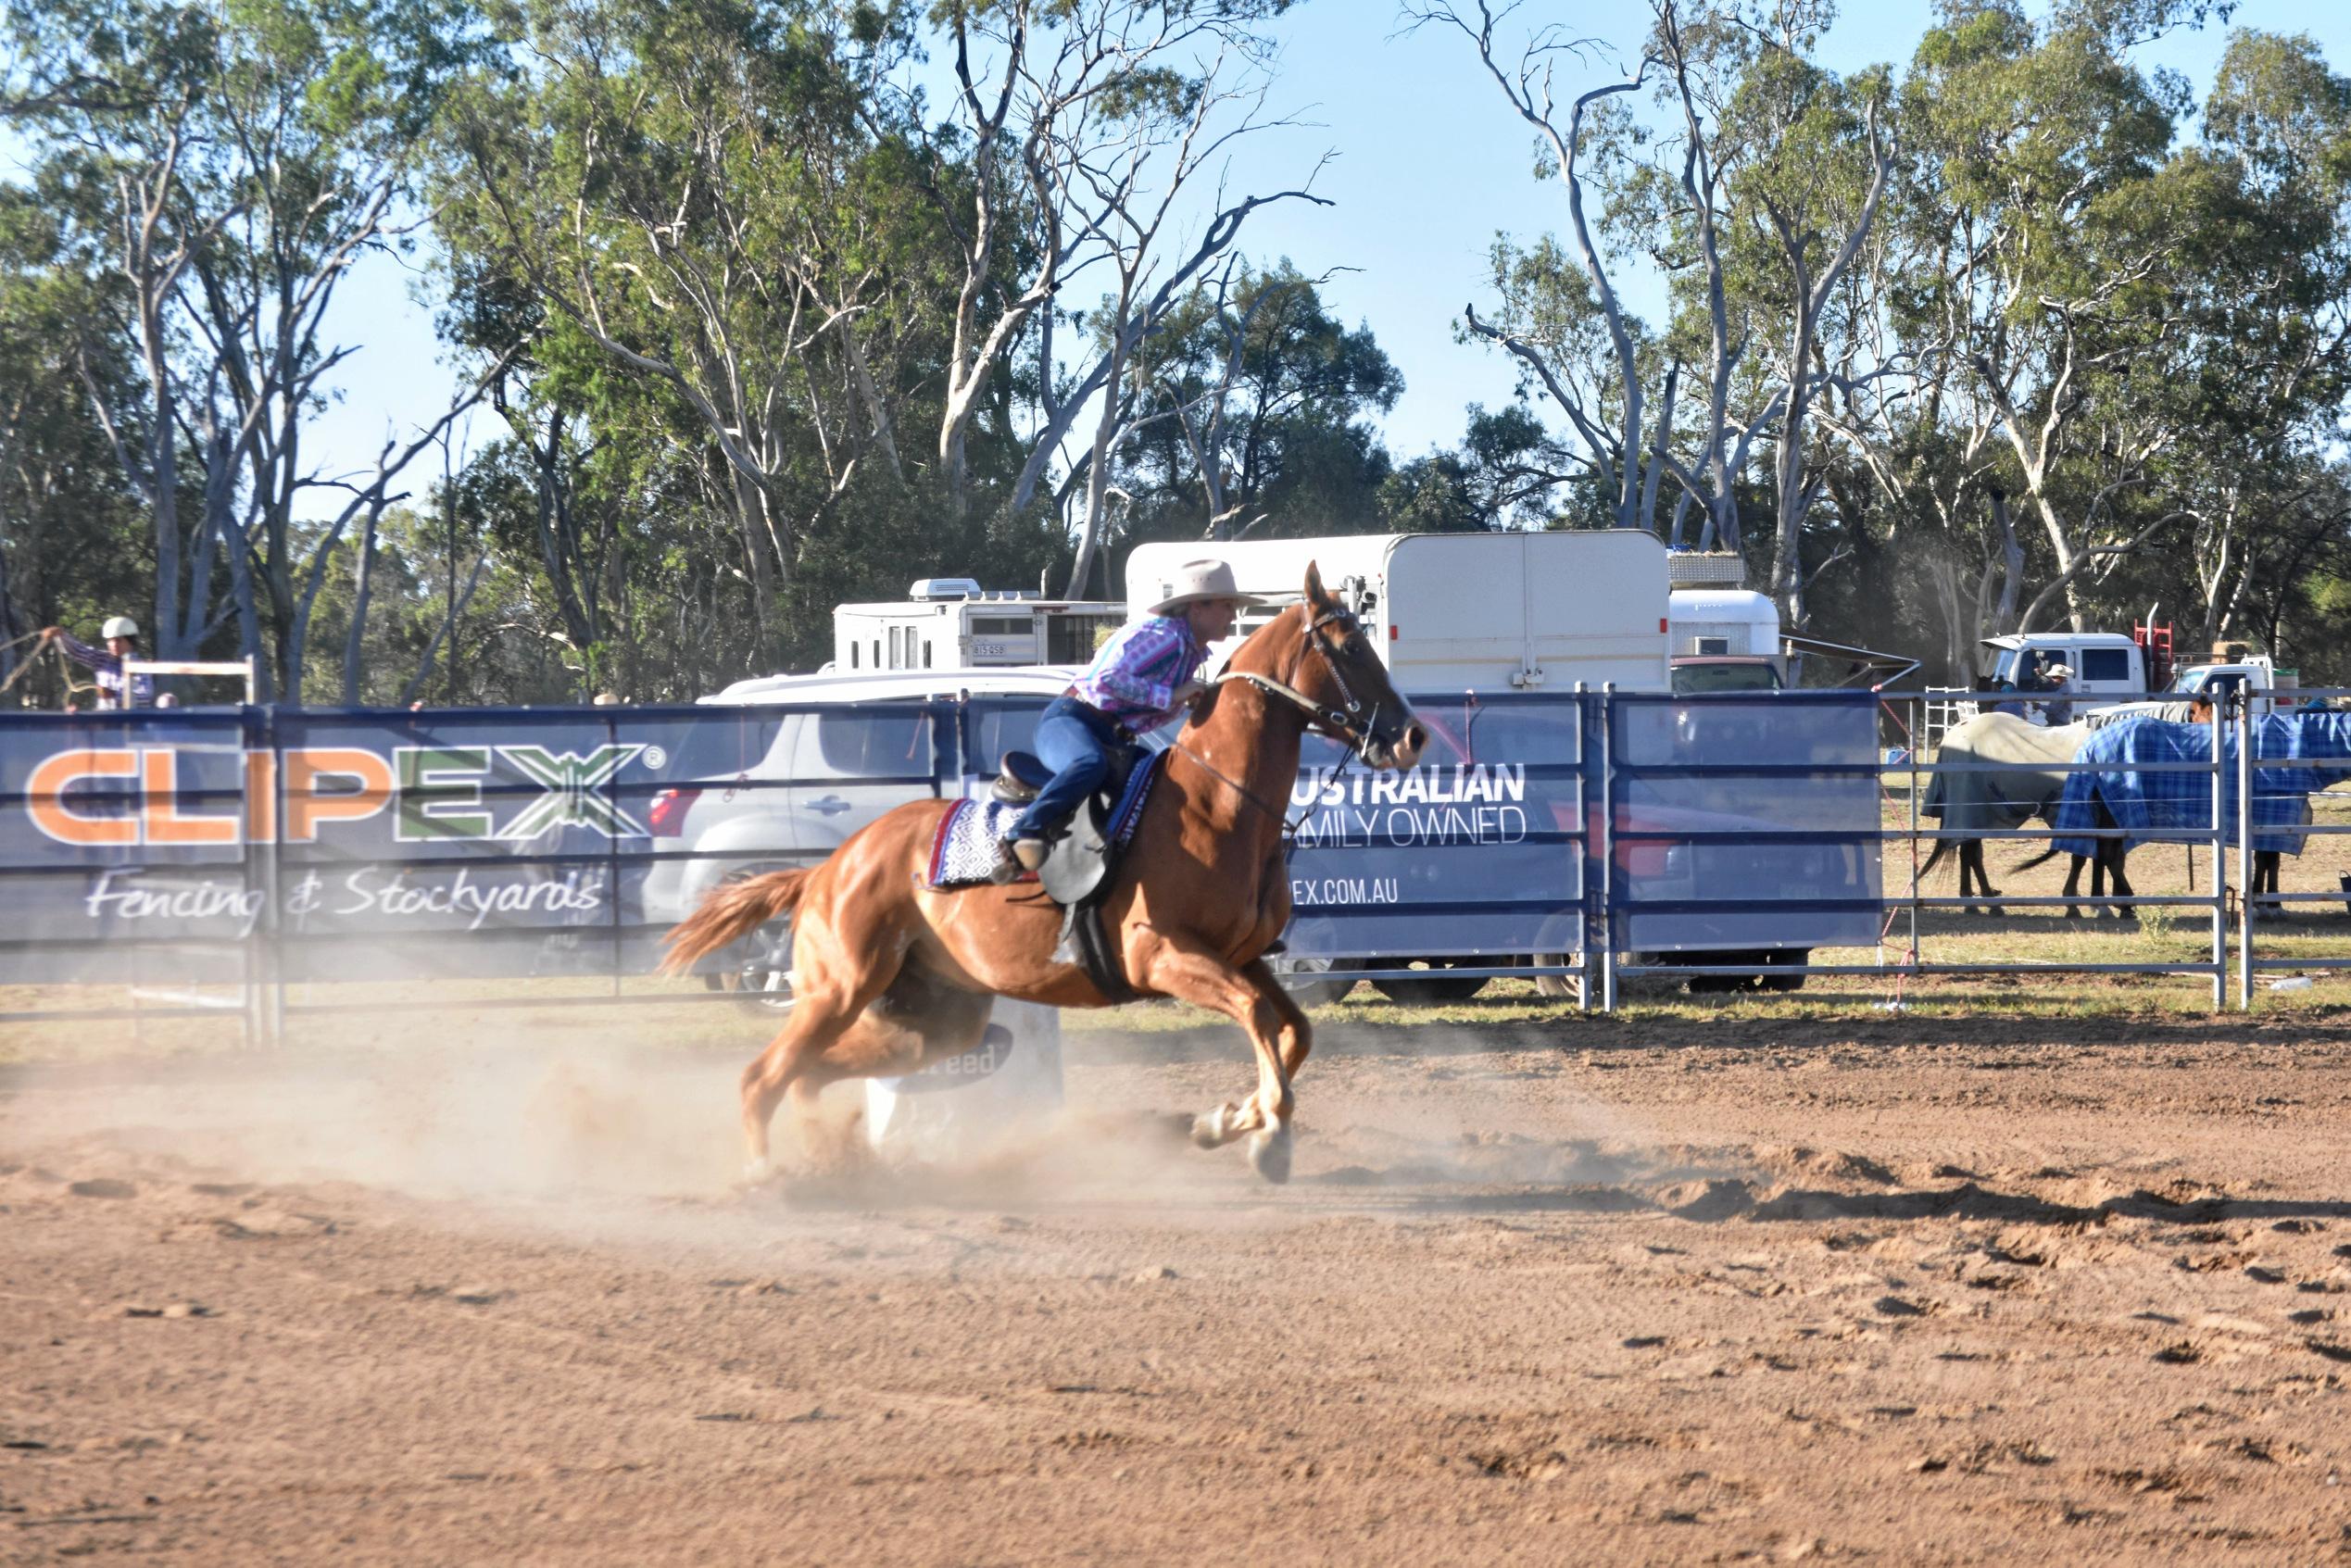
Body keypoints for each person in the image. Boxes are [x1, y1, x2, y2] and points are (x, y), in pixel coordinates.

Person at [995, 558, 1251, 880]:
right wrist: (1171, 696)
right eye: (1227, 606)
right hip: (1071, 719)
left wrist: (1185, 702)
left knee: (1161, 782)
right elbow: (1105, 679)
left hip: (1111, 737)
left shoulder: (1188, 654)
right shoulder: (1166, 636)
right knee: (1090, 763)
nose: (1233, 615)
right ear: (1198, 607)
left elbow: (1141, 709)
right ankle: (1022, 833)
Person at [40, 617, 153, 709]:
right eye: (110, 640)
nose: (113, 644)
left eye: (118, 640)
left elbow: (144, 696)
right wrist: (61, 635)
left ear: (130, 642)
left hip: (134, 726)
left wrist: (113, 695)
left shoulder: (140, 667)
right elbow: (78, 651)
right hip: (104, 724)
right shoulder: (102, 659)